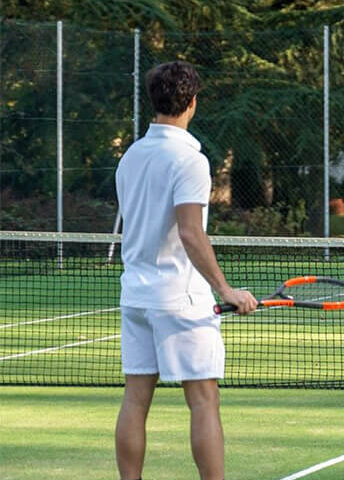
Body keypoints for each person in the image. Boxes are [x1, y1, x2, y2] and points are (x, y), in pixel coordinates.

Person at [114, 61, 257, 480]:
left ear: (154, 101)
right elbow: (191, 233)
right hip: (180, 299)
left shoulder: (130, 157)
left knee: (135, 400)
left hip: (136, 296)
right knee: (203, 401)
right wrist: (226, 289)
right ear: (192, 103)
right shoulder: (190, 160)